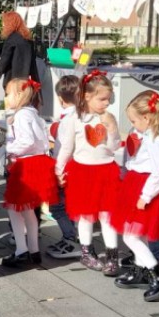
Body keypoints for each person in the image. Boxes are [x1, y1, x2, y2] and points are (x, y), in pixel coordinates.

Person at [110, 91, 159, 301]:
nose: (132, 124)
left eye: (134, 120)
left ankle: (157, 273)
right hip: (138, 184)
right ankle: (140, 270)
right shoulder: (151, 136)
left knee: (130, 235)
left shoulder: (157, 140)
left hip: (146, 189)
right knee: (136, 233)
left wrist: (146, 195)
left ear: (147, 118)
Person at [55, 70, 121, 274]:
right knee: (84, 215)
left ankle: (112, 255)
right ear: (87, 96)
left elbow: (114, 146)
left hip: (105, 171)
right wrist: (59, 169)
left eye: (108, 99)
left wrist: (111, 129)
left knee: (107, 215)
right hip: (82, 171)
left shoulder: (108, 117)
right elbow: (67, 146)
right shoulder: (75, 118)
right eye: (102, 99)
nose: (106, 104)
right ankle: (87, 252)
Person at [0, 77, 57, 269]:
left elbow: (27, 142)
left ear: (19, 95)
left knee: (15, 209)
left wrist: (9, 149)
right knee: (28, 210)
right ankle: (33, 251)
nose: (6, 97)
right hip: (38, 163)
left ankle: (22, 251)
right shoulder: (33, 114)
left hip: (27, 165)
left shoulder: (23, 116)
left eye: (8, 94)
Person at [45, 75, 81, 260]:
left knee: (58, 206)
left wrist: (57, 170)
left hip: (65, 168)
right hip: (76, 167)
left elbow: (66, 146)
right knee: (70, 205)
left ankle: (71, 238)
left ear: (60, 98)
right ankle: (73, 236)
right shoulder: (80, 116)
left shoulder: (68, 120)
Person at [0, 11, 40, 89]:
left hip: (12, 81)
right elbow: (33, 64)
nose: (3, 25)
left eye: (5, 23)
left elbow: (3, 64)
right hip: (26, 82)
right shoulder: (28, 41)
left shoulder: (10, 40)